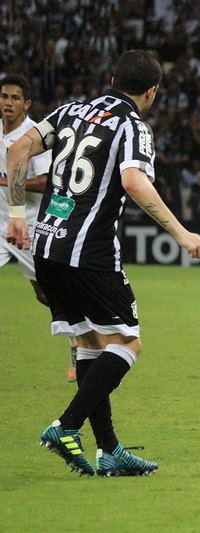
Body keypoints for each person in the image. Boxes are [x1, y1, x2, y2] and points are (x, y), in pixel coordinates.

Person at [6, 50, 200, 476]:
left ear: (113, 77)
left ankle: (108, 450)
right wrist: (182, 234)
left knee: (89, 344)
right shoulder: (132, 126)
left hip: (46, 245)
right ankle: (65, 426)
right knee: (127, 342)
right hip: (89, 252)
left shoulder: (71, 110)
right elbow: (134, 180)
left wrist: (13, 215)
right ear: (152, 91)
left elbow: (17, 150)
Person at [0, 74, 78, 382]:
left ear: (26, 103)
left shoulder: (33, 137)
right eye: (4, 97)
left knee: (45, 292)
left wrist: (7, 181)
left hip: (28, 223)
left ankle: (76, 341)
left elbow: (47, 182)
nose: (8, 103)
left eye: (14, 98)